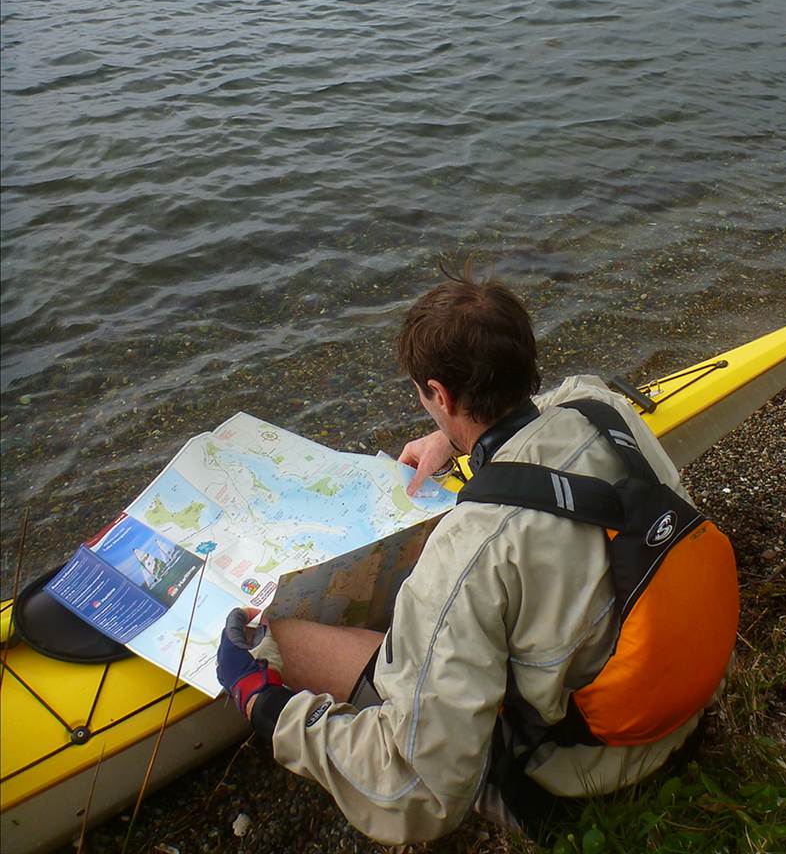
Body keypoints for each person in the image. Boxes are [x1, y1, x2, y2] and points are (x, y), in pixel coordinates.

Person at [216, 270, 737, 845]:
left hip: (586, 770)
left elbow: (416, 793)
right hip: (684, 710)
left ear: (439, 395)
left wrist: (266, 706)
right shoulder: (603, 411)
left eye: (427, 397)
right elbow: (559, 397)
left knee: (283, 638)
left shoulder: (466, 553)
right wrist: (452, 439)